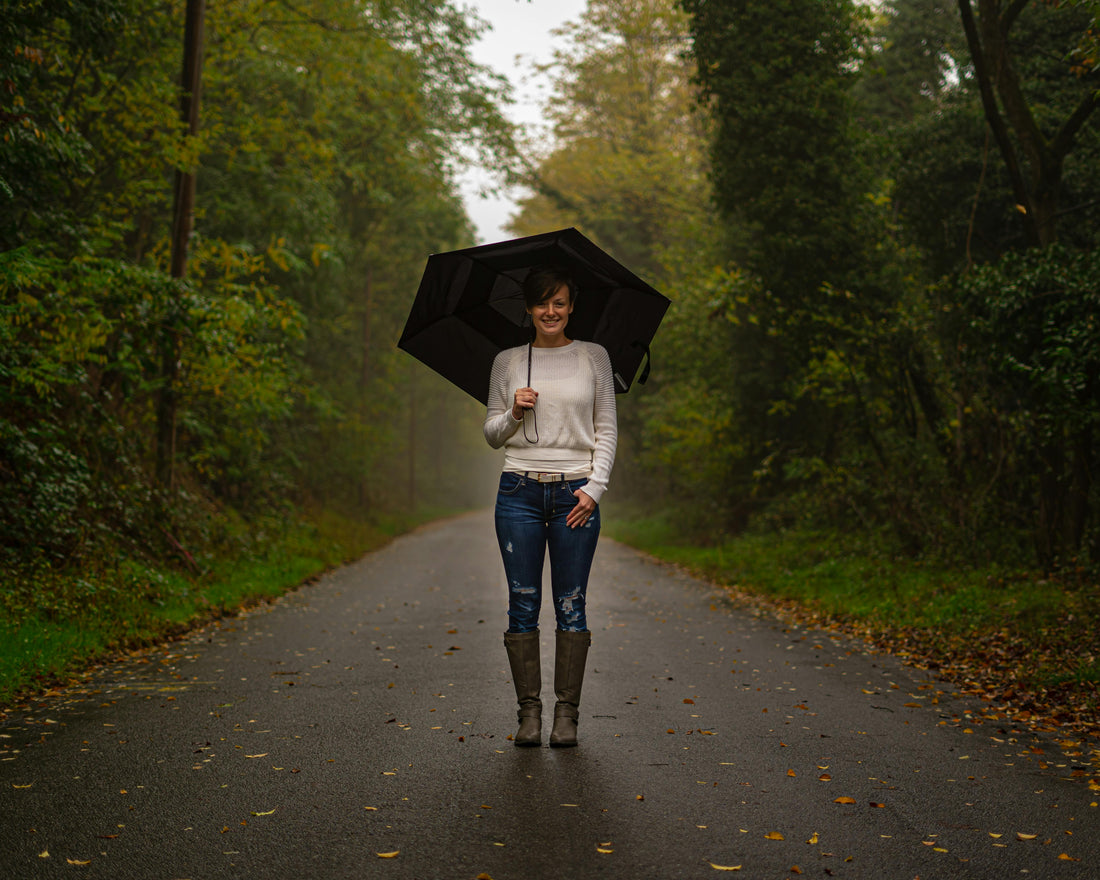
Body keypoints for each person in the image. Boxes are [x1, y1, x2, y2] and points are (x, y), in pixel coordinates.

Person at [483, 264, 618, 748]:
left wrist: (594, 488)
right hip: (518, 491)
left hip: (574, 494)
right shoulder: (508, 361)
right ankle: (529, 714)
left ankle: (566, 715)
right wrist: (514, 412)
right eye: (542, 302)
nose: (551, 311)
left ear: (571, 307)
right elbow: (492, 435)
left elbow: (606, 428)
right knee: (523, 603)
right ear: (528, 308)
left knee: (570, 603)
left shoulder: (594, 357)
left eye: (559, 302)